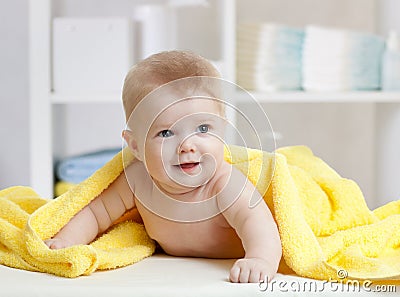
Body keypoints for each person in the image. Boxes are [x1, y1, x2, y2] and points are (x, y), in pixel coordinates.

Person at [45, 50, 282, 283]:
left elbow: (259, 225)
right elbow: (96, 213)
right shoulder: (138, 179)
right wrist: (67, 241)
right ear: (135, 146)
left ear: (222, 129)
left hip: (217, 273)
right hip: (164, 275)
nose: (187, 146)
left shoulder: (225, 184)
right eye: (166, 133)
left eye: (203, 129)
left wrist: (260, 260)